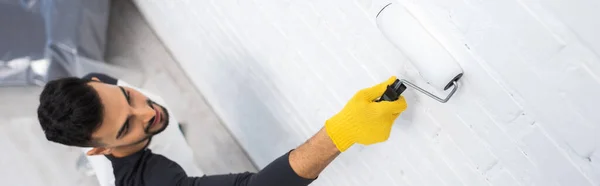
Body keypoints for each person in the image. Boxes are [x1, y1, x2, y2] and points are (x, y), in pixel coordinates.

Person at [37, 73, 407, 186]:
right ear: (100, 150)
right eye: (127, 127)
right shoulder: (152, 180)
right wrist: (341, 132)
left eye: (128, 96)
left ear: (99, 80)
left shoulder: (100, 92)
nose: (147, 111)